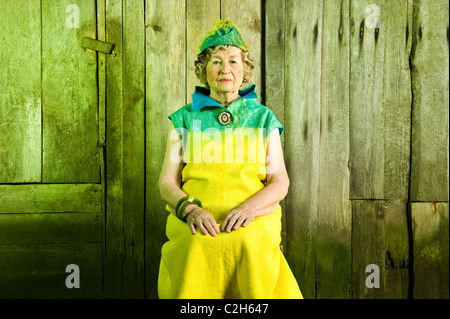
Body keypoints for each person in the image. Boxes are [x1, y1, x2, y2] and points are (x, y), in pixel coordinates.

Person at [157, 19, 302, 299]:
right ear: (203, 69)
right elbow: (166, 181)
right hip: (197, 217)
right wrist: (191, 210)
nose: (225, 69)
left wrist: (250, 209)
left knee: (247, 241)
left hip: (254, 218)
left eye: (234, 61)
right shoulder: (184, 119)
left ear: (245, 70)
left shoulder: (262, 118)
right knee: (195, 245)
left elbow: (280, 181)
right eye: (216, 62)